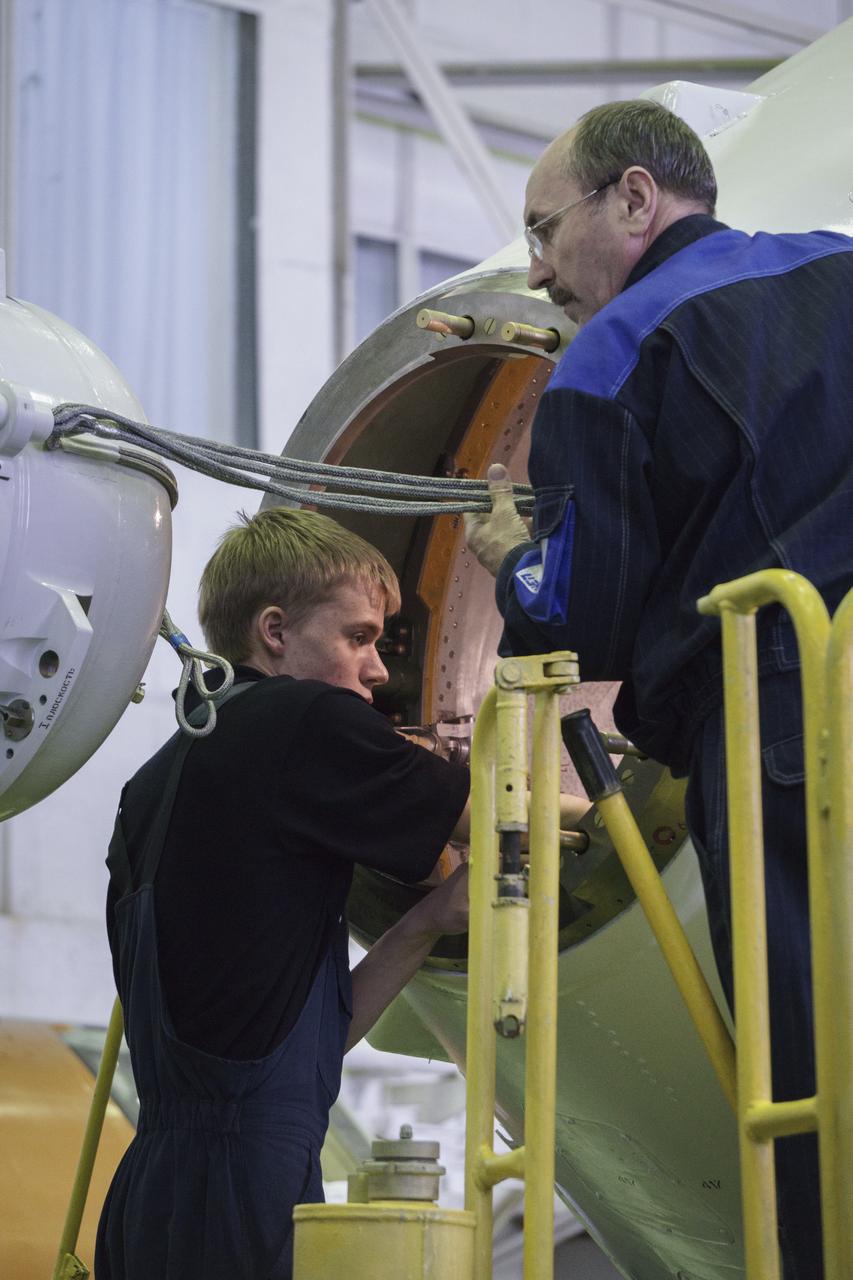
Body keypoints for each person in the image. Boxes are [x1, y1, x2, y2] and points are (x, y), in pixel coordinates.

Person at [465, 97, 853, 1280]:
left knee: (809, 1069)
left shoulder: (610, 355)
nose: (536, 274)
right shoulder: (837, 262)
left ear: (634, 199)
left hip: (779, 720)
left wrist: (507, 556)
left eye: (544, 232)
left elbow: (579, 609)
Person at [96, 507, 471, 1280]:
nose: (377, 672)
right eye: (358, 637)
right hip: (248, 1190)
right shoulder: (301, 718)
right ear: (275, 630)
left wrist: (427, 921)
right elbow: (499, 812)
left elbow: (304, 1046)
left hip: (149, 1196)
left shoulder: (153, 786)